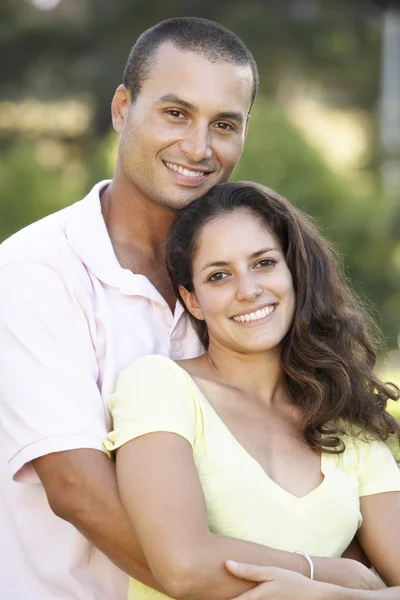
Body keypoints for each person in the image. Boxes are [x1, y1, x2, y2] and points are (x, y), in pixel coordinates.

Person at [0, 17, 259, 600]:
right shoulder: (36, 272)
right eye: (175, 113)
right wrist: (289, 589)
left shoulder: (241, 283)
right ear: (123, 109)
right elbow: (78, 492)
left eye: (224, 124)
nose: (198, 147)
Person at [105, 181, 400, 600]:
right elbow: (183, 566)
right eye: (219, 275)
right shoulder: (161, 386)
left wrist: (331, 595)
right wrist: (325, 572)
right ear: (192, 301)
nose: (248, 290)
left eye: (263, 264)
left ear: (292, 273)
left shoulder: (345, 417)